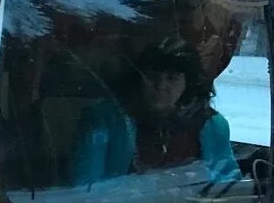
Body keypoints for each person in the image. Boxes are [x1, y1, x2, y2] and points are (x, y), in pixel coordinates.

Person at [72, 37, 239, 185]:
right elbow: (84, 186)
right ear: (139, 78)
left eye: (172, 78)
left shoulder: (210, 125)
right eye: (152, 76)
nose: (160, 86)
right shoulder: (105, 120)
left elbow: (229, 186)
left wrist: (198, 178)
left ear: (189, 83)